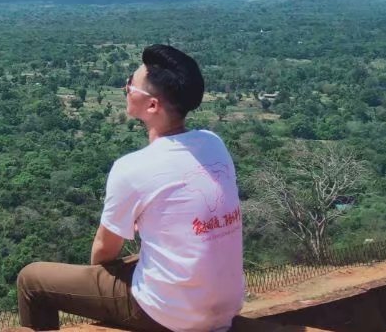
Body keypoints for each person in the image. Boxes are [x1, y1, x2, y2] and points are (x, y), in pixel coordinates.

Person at [14, 44, 244, 332]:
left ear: (152, 105)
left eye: (131, 85)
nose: (126, 88)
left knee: (32, 279)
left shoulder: (133, 168)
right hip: (226, 308)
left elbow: (103, 255)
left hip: (171, 316)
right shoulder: (213, 143)